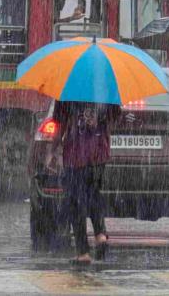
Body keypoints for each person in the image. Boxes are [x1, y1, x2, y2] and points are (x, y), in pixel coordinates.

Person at [48, 101, 121, 265]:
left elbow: (60, 126)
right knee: (94, 194)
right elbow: (114, 119)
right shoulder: (105, 87)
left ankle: (83, 253)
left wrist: (53, 151)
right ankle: (101, 236)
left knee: (75, 201)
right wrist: (99, 125)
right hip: (99, 153)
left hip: (75, 154)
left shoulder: (67, 91)